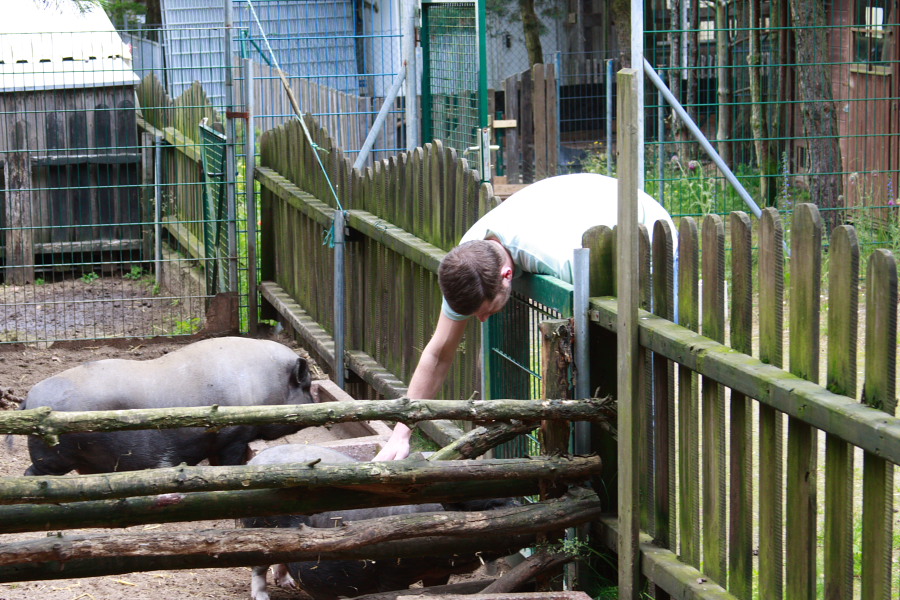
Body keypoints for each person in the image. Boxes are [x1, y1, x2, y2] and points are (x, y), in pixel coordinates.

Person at [373, 172, 676, 461]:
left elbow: (601, 318)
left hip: (643, 228)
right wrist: (401, 433)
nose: (481, 321)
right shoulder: (467, 261)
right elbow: (438, 354)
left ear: (507, 275)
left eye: (486, 311)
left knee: (643, 372)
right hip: (577, 206)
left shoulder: (559, 258)